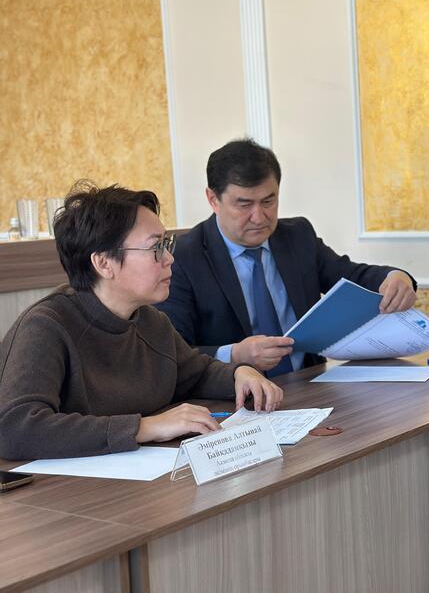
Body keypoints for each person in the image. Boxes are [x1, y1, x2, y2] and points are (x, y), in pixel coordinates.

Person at [0, 182, 282, 461]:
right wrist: (143, 427)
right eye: (156, 247)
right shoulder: (46, 326)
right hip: (65, 488)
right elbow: (15, 429)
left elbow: (196, 374)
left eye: (166, 244)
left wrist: (240, 374)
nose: (169, 258)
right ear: (104, 263)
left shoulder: (150, 321)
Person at [156, 138, 417, 377]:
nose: (259, 217)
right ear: (213, 199)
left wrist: (395, 277)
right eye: (244, 205)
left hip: (309, 383)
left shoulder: (297, 236)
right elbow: (172, 353)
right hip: (235, 397)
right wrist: (234, 354)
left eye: (268, 202)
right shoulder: (183, 257)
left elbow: (353, 276)